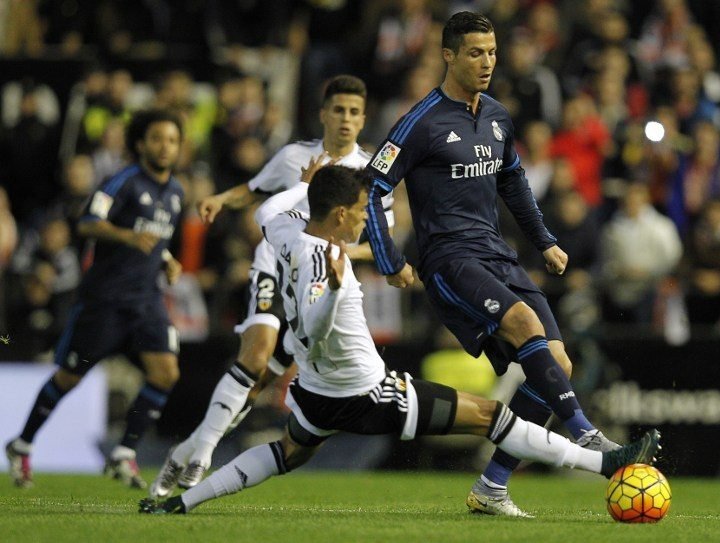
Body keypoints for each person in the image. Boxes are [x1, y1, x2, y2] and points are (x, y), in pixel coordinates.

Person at [138, 163, 661, 515]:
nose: (367, 217)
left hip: (317, 394)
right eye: (362, 209)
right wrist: (334, 292)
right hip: (367, 390)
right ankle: (605, 463)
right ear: (342, 214)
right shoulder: (331, 261)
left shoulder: (287, 239)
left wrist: (309, 185)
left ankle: (182, 503)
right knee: (490, 418)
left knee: (286, 454)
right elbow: (319, 323)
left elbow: (265, 211)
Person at [364, 12, 619, 517]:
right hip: (448, 259)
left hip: (498, 254)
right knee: (527, 327)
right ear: (449, 56)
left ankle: (492, 485)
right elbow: (372, 187)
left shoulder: (499, 116)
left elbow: (514, 185)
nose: (487, 62)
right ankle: (587, 436)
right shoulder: (421, 120)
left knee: (558, 366)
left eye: (493, 52)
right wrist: (389, 257)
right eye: (476, 53)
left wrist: (544, 241)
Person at [148, 75, 394, 497]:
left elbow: (382, 240)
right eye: (338, 110)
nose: (346, 119)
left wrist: (341, 255)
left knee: (262, 382)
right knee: (256, 354)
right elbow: (254, 190)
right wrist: (222, 200)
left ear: (364, 117)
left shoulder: (370, 171)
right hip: (274, 265)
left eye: (354, 112)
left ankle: (186, 448)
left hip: (318, 283)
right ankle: (204, 452)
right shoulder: (295, 156)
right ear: (323, 114)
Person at [5, 109, 185, 489]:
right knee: (69, 378)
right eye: (157, 138)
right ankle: (21, 444)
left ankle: (123, 454)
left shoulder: (176, 192)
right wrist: (125, 236)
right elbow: (87, 222)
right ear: (140, 144)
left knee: (166, 373)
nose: (165, 147)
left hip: (147, 301)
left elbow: (157, 240)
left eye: (172, 140)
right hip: (105, 301)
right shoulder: (124, 182)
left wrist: (168, 261)